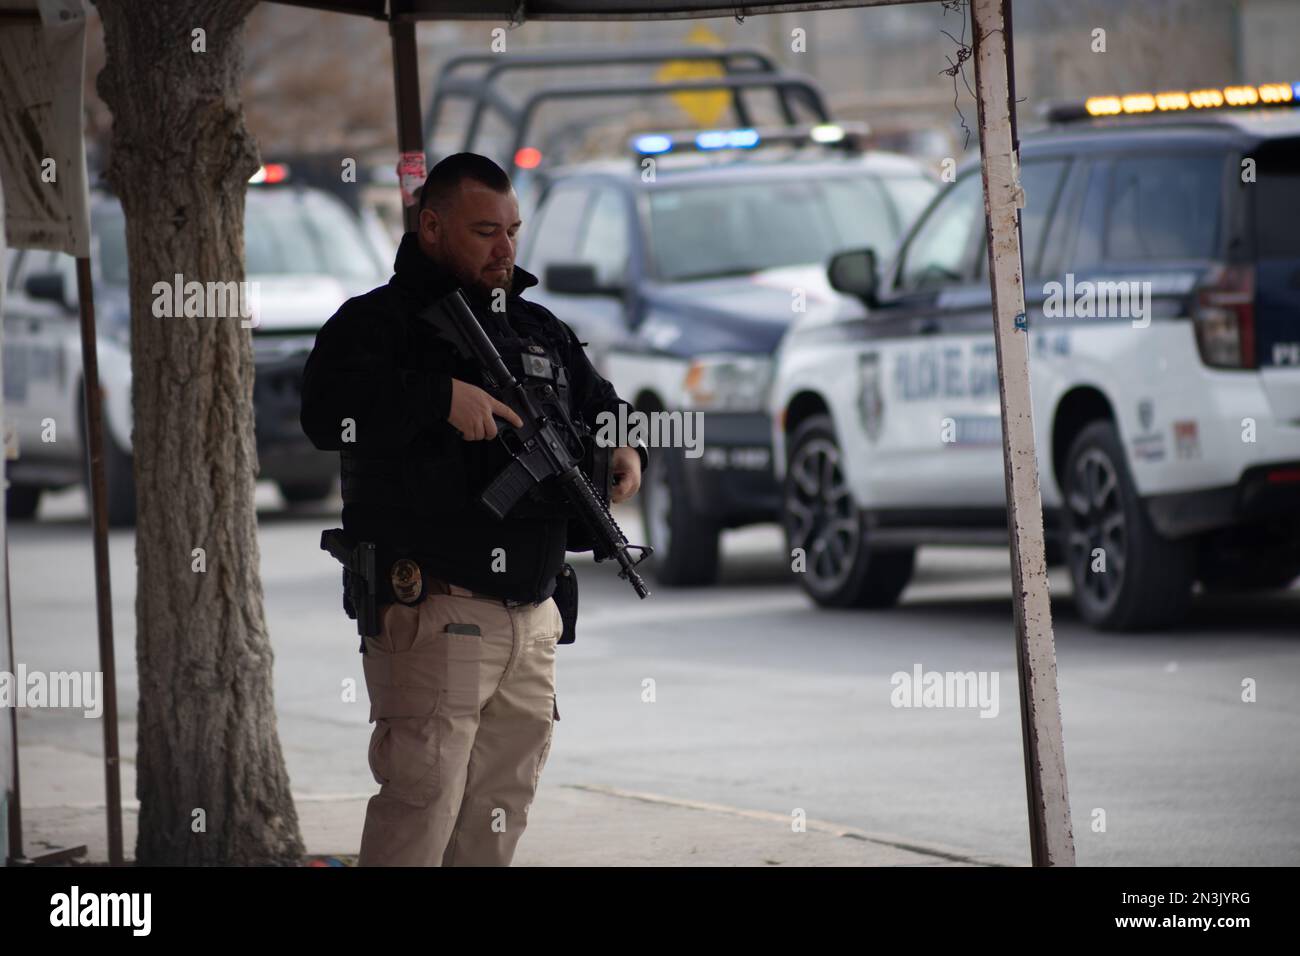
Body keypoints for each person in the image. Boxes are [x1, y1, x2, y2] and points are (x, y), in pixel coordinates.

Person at [300, 152, 647, 866]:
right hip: (435, 607)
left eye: (513, 230)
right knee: (421, 804)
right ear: (431, 227)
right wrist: (438, 399)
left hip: (533, 613)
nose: (506, 249)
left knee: (500, 808)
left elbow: (603, 403)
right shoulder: (378, 325)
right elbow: (325, 413)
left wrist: (625, 447)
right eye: (485, 230)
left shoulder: (536, 327)